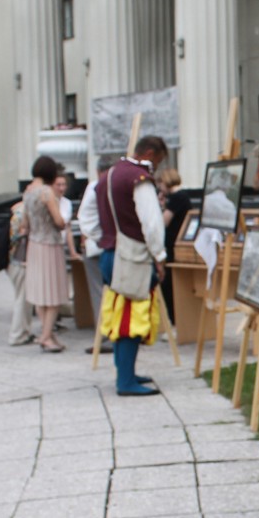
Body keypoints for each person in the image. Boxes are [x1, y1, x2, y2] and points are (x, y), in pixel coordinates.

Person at [93, 135, 168, 396]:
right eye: (157, 161)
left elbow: (87, 216)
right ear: (148, 153)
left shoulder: (107, 176)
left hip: (110, 253)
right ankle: (125, 380)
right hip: (131, 257)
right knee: (129, 319)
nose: (155, 167)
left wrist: (103, 238)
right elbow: (152, 223)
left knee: (118, 313)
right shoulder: (139, 180)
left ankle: (125, 372)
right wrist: (159, 255)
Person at [21, 156, 69, 352]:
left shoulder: (28, 192)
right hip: (50, 244)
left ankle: (47, 333)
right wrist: (64, 221)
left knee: (41, 293)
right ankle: (46, 337)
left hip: (34, 245)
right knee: (54, 293)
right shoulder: (47, 192)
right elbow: (58, 221)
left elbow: (25, 223)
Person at [76, 156, 114, 353]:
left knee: (100, 292)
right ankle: (111, 333)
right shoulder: (110, 186)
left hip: (98, 244)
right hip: (109, 244)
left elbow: (84, 219)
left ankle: (106, 336)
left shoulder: (96, 186)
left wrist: (91, 237)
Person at [158, 167, 190, 323]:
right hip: (176, 243)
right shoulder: (182, 197)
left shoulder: (177, 198)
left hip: (172, 245)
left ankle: (174, 320)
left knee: (168, 285)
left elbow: (163, 222)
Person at [5, 194, 35, 346]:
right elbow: (18, 237)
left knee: (24, 298)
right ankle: (17, 335)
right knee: (22, 299)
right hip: (20, 261)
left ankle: (24, 332)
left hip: (15, 261)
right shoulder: (22, 212)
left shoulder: (18, 210)